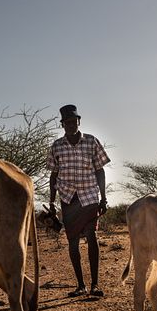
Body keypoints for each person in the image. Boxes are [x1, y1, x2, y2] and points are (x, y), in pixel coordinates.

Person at [47, 104, 110, 297]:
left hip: (89, 196)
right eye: (67, 123)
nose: (71, 125)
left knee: (92, 236)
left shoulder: (91, 142)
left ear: (79, 122)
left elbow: (100, 170)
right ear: (62, 124)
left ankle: (95, 285)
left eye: (73, 122)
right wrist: (51, 202)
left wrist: (104, 198)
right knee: (73, 241)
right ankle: (81, 285)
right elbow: (53, 175)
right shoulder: (57, 146)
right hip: (68, 198)